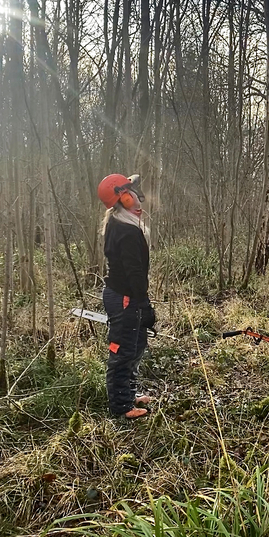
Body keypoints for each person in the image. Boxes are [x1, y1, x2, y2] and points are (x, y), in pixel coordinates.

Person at [97, 173, 156, 419]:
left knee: (136, 346)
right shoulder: (126, 231)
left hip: (128, 297)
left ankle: (129, 393)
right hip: (125, 298)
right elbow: (134, 273)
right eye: (130, 192)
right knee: (122, 351)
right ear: (124, 199)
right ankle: (121, 407)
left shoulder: (121, 224)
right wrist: (143, 304)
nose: (135, 195)